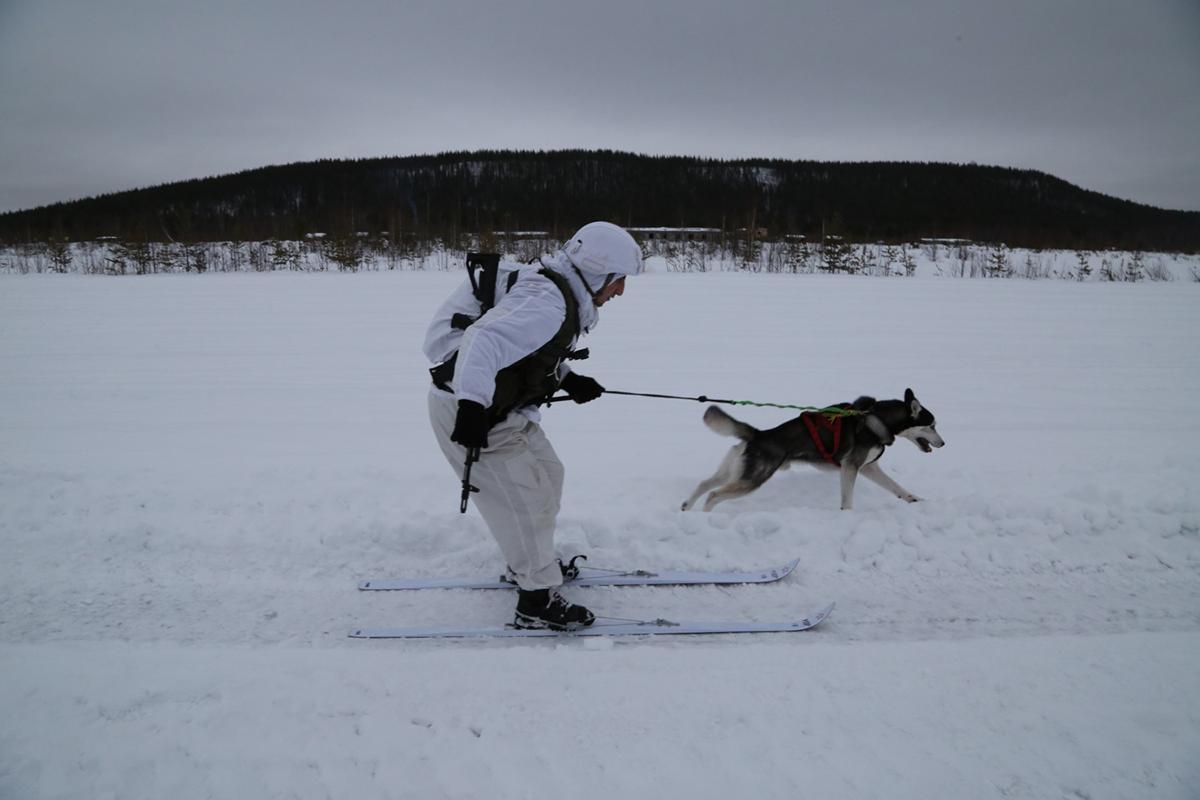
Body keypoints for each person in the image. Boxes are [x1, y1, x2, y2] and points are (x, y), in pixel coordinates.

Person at [423, 221, 644, 630]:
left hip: (499, 409)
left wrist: (567, 378)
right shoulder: (547, 300)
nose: (621, 291)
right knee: (525, 500)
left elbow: (525, 351)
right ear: (599, 273)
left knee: (548, 477)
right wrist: (471, 407)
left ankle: (529, 564)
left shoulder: (556, 292)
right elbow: (483, 341)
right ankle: (535, 601)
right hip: (472, 412)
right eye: (619, 280)